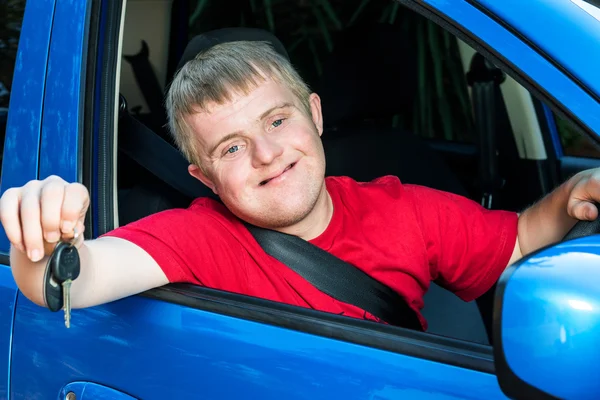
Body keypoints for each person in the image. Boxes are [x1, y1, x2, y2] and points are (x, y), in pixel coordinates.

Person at [1, 30, 599, 331]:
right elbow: (71, 283)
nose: (266, 153)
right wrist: (42, 238)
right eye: (231, 147)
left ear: (314, 115)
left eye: (277, 119)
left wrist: (571, 198)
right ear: (203, 176)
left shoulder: (402, 207)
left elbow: (517, 240)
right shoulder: (198, 238)